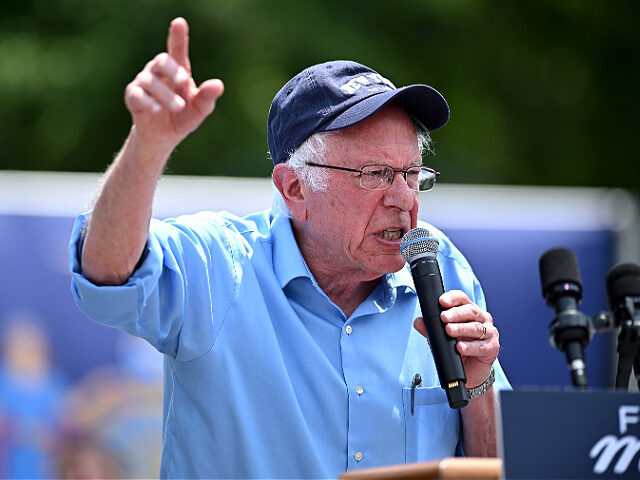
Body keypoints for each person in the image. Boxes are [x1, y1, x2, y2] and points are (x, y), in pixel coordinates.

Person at [69, 17, 509, 479]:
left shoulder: (442, 270)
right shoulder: (221, 266)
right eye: (375, 174)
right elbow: (107, 274)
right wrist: (147, 146)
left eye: (412, 174)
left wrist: (479, 384)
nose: (403, 198)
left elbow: (497, 468)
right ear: (295, 188)